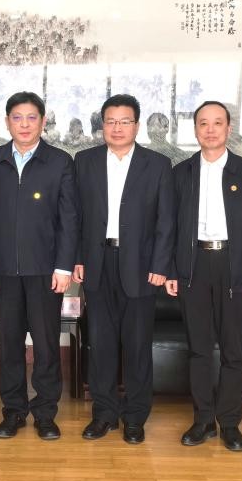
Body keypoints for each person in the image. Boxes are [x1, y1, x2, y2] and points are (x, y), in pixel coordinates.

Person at [166, 101, 242, 451]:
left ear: (229, 128)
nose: (210, 130)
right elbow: (168, 227)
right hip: (193, 264)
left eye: (217, 123)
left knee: (233, 349)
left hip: (234, 265)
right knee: (198, 349)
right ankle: (202, 420)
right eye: (203, 123)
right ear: (195, 129)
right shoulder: (181, 174)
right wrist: (171, 270)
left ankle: (229, 422)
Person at [73, 94, 175, 444]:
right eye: (111, 121)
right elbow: (75, 216)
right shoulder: (84, 161)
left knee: (137, 345)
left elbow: (167, 220)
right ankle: (103, 414)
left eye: (124, 121)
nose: (117, 128)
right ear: (102, 125)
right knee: (100, 344)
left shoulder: (157, 164)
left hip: (142, 266)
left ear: (137, 125)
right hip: (97, 262)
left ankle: (135, 416)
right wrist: (77, 258)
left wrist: (161, 264)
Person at [0, 92, 79, 440]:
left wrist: (64, 266)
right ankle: (13, 411)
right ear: (8, 122)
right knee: (9, 343)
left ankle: (45, 413)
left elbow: (69, 219)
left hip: (45, 270)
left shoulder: (60, 161)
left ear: (43, 121)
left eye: (31, 117)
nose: (24, 124)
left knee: (47, 345)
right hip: (4, 268)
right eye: (17, 118)